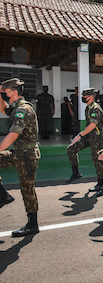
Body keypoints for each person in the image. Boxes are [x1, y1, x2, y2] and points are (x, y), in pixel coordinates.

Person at [0, 78, 41, 236]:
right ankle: (3, 196)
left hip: (27, 155)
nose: (4, 94)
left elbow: (14, 133)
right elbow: (4, 110)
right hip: (17, 153)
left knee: (27, 189)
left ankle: (32, 224)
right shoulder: (15, 107)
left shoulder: (23, 109)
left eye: (5, 92)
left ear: (14, 92)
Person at [66, 88, 103, 195]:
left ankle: (102, 183)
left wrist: (80, 135)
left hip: (96, 137)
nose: (83, 99)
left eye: (85, 97)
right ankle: (76, 172)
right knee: (71, 149)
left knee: (97, 159)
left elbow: (93, 125)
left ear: (91, 97)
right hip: (89, 136)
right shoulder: (88, 108)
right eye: (82, 97)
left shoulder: (95, 108)